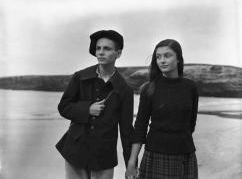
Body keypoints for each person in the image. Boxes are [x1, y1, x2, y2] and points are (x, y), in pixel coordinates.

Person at [56, 30, 134, 179]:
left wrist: (131, 164)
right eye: (98, 48)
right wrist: (87, 109)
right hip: (75, 151)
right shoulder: (80, 77)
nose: (101, 52)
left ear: (118, 53)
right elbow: (63, 107)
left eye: (107, 48)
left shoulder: (124, 90)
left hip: (103, 155)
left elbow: (126, 131)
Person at [125, 39, 199, 179]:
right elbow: (140, 127)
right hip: (156, 155)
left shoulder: (191, 87)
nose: (162, 61)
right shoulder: (149, 89)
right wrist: (131, 161)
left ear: (178, 59)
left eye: (167, 55)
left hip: (186, 155)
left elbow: (191, 125)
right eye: (158, 57)